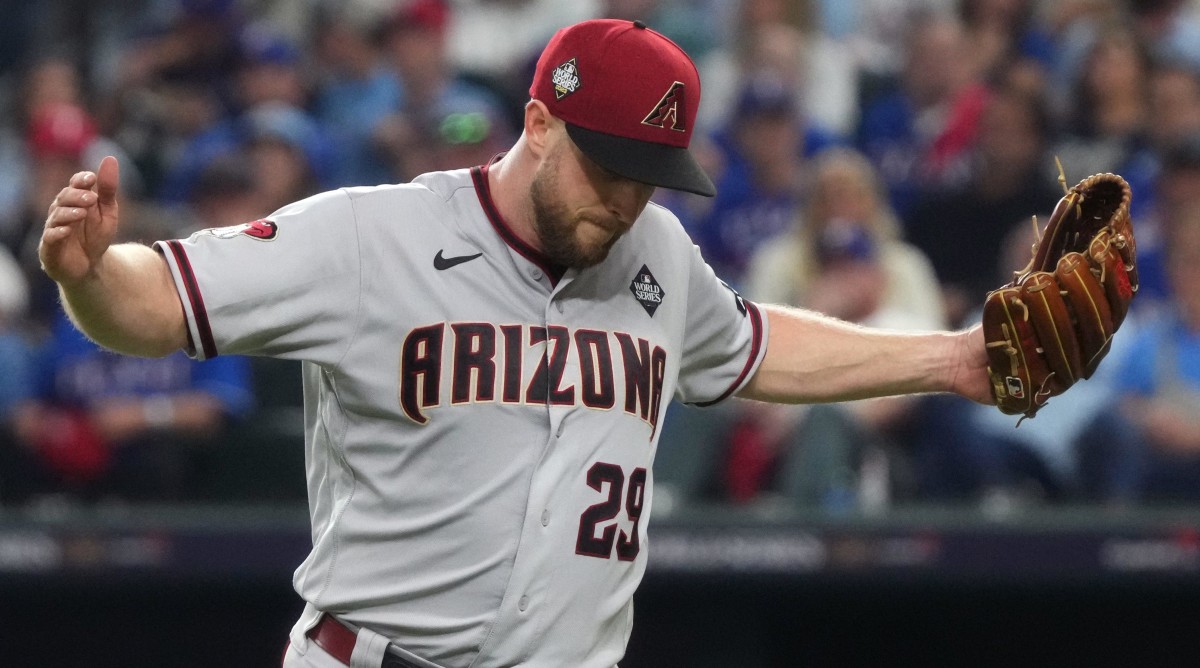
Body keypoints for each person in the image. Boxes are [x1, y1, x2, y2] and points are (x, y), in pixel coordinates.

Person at [38, 19, 991, 668]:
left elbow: (750, 345)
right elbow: (159, 302)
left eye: (649, 175)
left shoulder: (655, 249)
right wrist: (91, 272)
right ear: (539, 121)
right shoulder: (374, 236)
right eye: (607, 164)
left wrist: (951, 360)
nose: (625, 198)